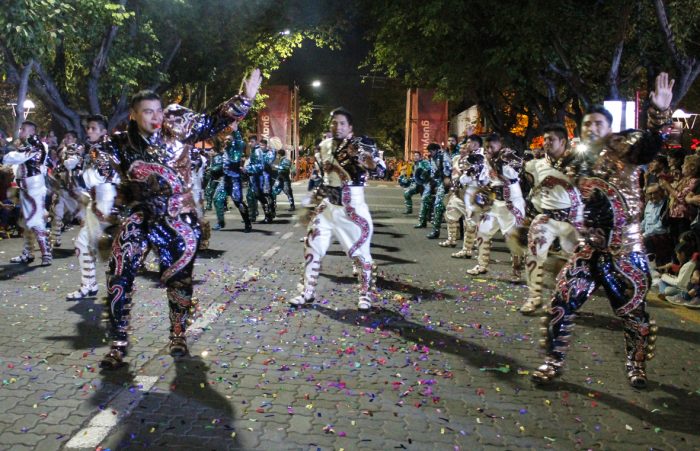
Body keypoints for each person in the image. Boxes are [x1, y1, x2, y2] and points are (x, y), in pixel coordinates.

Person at [99, 69, 261, 369]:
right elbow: (108, 174)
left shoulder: (179, 128)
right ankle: (118, 343)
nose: (155, 117)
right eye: (147, 112)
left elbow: (215, 120)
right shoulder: (121, 143)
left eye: (158, 110)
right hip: (141, 214)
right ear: (133, 115)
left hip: (177, 217)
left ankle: (178, 334)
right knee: (119, 273)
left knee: (179, 280)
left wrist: (245, 98)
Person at [532, 73, 674, 388]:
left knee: (634, 313)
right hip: (588, 249)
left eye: (598, 123)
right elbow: (564, 198)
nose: (592, 128)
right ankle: (552, 362)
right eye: (587, 124)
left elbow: (652, 144)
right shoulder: (575, 160)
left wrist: (659, 112)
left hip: (626, 249)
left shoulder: (625, 148)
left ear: (609, 127)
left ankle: (636, 365)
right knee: (561, 301)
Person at [290, 107, 385, 311]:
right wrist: (311, 201)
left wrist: (371, 164)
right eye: (334, 122)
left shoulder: (360, 146)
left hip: (352, 209)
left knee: (360, 255)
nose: (337, 126)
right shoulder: (323, 146)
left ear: (350, 127)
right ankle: (307, 292)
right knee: (312, 247)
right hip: (328, 206)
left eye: (342, 123)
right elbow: (324, 178)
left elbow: (380, 169)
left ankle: (365, 294)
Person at [520, 124, 583, 314]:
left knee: (576, 262)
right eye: (545, 139)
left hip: (572, 220)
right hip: (546, 217)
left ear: (563, 142)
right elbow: (533, 189)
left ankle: (566, 299)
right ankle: (534, 298)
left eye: (551, 140)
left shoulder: (579, 163)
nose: (546, 143)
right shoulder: (536, 165)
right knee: (533, 255)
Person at [66, 115, 120, 300]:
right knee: (86, 243)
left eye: (94, 128)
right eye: (88, 128)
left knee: (85, 243)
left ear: (104, 131)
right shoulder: (99, 148)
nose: (89, 131)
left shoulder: (105, 149)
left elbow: (102, 173)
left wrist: (79, 181)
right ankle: (90, 285)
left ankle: (90, 286)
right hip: (102, 202)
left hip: (107, 203)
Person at [466, 133, 526, 282]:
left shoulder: (507, 156)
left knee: (513, 239)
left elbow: (519, 167)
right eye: (487, 146)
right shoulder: (487, 159)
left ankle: (516, 271)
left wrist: (501, 162)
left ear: (500, 145)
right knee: (483, 232)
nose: (489, 149)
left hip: (511, 203)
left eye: (492, 146)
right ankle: (482, 265)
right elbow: (487, 178)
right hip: (495, 204)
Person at [2, 121, 52, 265]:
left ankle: (46, 254)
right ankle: (28, 253)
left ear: (31, 131)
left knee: (35, 220)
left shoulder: (34, 145)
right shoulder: (29, 145)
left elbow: (15, 158)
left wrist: (9, 151)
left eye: (23, 129)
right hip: (26, 188)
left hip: (34, 188)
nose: (20, 131)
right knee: (25, 221)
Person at [50, 130, 86, 248]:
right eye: (66, 137)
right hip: (62, 187)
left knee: (81, 215)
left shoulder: (78, 149)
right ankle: (56, 238)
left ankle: (85, 240)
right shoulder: (62, 150)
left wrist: (66, 158)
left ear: (75, 139)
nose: (67, 139)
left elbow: (70, 164)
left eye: (70, 137)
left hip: (75, 187)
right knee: (57, 212)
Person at [214, 127, 252, 232]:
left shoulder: (237, 150)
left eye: (229, 140)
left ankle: (247, 223)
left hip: (235, 180)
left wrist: (235, 129)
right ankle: (220, 223)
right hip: (225, 180)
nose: (226, 141)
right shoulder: (224, 151)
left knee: (238, 202)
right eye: (225, 140)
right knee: (217, 199)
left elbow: (239, 141)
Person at [426, 143, 452, 239]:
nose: (430, 153)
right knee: (437, 205)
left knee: (442, 206)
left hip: (451, 183)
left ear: (436, 150)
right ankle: (436, 230)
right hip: (441, 183)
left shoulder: (444, 156)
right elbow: (434, 173)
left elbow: (449, 170)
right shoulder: (432, 159)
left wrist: (446, 179)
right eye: (429, 151)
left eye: (431, 151)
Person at [398, 150, 430, 215]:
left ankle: (430, 214)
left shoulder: (424, 163)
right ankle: (409, 210)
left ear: (420, 157)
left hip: (424, 185)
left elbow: (428, 172)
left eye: (417, 155)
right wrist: (409, 180)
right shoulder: (414, 165)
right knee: (407, 194)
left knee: (426, 199)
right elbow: (414, 176)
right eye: (414, 156)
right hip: (416, 185)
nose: (415, 157)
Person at [272, 146, 296, 211]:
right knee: (274, 190)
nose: (277, 155)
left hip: (285, 178)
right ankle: (273, 205)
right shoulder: (278, 160)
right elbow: (273, 168)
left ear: (280, 154)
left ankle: (292, 205)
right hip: (279, 178)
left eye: (278, 154)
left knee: (288, 192)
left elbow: (286, 168)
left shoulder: (286, 160)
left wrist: (276, 167)